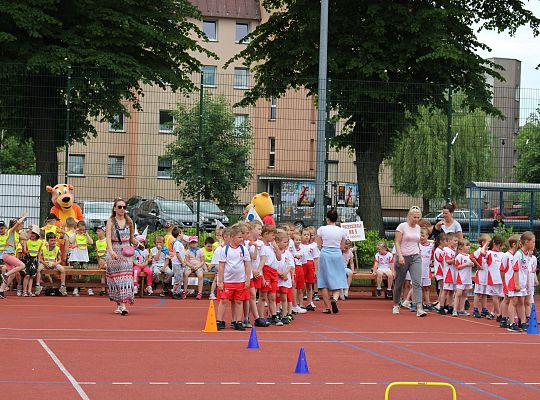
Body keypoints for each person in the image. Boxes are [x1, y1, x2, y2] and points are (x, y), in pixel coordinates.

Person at [105, 198, 138, 315]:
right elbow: (108, 238)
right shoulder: (110, 221)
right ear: (114, 209)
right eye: (119, 207)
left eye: (124, 207)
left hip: (126, 253)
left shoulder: (129, 222)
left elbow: (132, 238)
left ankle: (123, 305)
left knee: (126, 279)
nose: (122, 209)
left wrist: (139, 244)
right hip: (114, 252)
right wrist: (111, 251)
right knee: (115, 280)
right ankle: (119, 304)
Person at [392, 206, 426, 317]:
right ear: (409, 216)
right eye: (414, 217)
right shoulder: (402, 226)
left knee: (416, 282)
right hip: (403, 257)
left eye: (418, 217)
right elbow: (397, 242)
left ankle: (419, 307)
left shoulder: (418, 228)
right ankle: (396, 304)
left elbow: (417, 242)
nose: (416, 219)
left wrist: (419, 252)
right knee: (399, 282)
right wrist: (400, 256)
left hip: (415, 256)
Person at [217, 224, 252, 331]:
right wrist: (221, 281)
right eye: (239, 237)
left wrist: (247, 279)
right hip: (228, 280)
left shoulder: (244, 249)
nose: (241, 239)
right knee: (224, 300)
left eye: (242, 237)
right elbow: (221, 266)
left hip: (240, 281)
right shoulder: (225, 250)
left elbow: (247, 264)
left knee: (239, 301)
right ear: (232, 237)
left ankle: (237, 321)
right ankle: (219, 321)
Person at [316, 208, 347, 315]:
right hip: (337, 254)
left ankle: (326, 307)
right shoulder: (341, 230)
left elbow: (319, 245)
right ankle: (335, 298)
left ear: (327, 219)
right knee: (338, 277)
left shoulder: (321, 229)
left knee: (323, 280)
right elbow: (342, 246)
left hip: (325, 253)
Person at [507, 231, 535, 332]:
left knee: (521, 302)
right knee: (513, 301)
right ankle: (511, 323)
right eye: (533, 242)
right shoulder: (518, 254)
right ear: (527, 242)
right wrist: (517, 284)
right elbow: (515, 269)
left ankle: (522, 322)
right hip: (514, 282)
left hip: (522, 282)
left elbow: (526, 270)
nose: (534, 244)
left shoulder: (527, 254)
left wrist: (527, 282)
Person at [0, 215, 27, 299]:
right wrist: (24, 216)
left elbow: (26, 238)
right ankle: (5, 274)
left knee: (13, 275)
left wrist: (30, 230)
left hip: (8, 255)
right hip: (7, 254)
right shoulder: (10, 231)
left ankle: (1, 290)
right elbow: (18, 222)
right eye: (20, 225)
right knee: (22, 265)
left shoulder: (14, 233)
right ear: (15, 225)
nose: (21, 226)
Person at [258, 224, 280, 324]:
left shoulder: (271, 246)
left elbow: (279, 258)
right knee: (263, 295)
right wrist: (261, 275)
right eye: (272, 235)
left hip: (273, 271)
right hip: (266, 271)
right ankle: (261, 317)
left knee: (272, 296)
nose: (274, 237)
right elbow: (261, 262)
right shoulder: (261, 246)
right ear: (266, 234)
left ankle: (273, 315)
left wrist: (276, 248)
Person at [36, 232, 67, 296]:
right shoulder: (43, 248)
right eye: (51, 240)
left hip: (54, 264)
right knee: (38, 269)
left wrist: (56, 263)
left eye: (54, 240)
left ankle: (62, 286)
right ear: (47, 241)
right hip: (45, 264)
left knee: (62, 269)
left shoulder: (57, 248)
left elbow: (60, 260)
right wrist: (44, 263)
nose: (53, 242)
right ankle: (38, 285)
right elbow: (40, 259)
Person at [499, 234, 520, 329]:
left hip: (513, 280)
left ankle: (510, 317)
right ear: (514, 244)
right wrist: (503, 280)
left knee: (512, 299)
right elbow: (502, 269)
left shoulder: (516, 255)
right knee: (507, 299)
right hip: (507, 279)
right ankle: (503, 318)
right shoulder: (506, 255)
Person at [69, 220, 94, 296]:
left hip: (84, 257)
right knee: (75, 272)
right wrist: (76, 232)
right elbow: (71, 241)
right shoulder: (74, 235)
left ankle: (89, 288)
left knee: (85, 272)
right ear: (77, 228)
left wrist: (86, 233)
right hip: (75, 257)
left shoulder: (85, 235)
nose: (81, 231)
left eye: (83, 229)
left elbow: (91, 242)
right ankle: (75, 288)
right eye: (80, 229)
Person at [275, 230, 295, 324]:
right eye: (284, 242)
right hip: (277, 278)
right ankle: (276, 312)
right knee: (276, 296)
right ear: (277, 242)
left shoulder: (288, 254)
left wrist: (285, 273)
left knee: (284, 297)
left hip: (285, 279)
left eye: (287, 242)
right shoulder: (274, 253)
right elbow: (272, 265)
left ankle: (285, 314)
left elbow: (291, 265)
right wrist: (279, 273)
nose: (286, 244)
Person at [452, 239, 474, 316]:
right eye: (467, 245)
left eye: (469, 245)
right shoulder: (459, 256)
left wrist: (472, 264)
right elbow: (457, 266)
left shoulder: (469, 256)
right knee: (458, 294)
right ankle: (455, 309)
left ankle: (461, 309)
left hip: (468, 278)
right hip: (461, 278)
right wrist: (466, 264)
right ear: (461, 247)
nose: (468, 247)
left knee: (465, 294)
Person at [485, 236, 505, 320]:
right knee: (495, 297)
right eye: (500, 245)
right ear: (495, 244)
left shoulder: (503, 254)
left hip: (501, 278)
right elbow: (482, 253)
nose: (501, 247)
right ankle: (498, 314)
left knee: (498, 297)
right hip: (493, 278)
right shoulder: (489, 253)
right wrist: (487, 244)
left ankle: (495, 313)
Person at [471, 234, 491, 318]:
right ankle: (475, 309)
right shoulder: (479, 250)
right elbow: (472, 256)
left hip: (486, 275)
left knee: (485, 293)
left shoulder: (488, 252)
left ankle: (484, 308)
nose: (489, 243)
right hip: (480, 275)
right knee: (478, 293)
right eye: (488, 242)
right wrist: (477, 264)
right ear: (483, 242)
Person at [419, 228, 434, 308]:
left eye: (423, 236)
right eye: (420, 236)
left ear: (427, 236)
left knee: (426, 287)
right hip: (418, 270)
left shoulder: (431, 246)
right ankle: (419, 303)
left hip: (426, 270)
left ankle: (427, 303)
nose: (421, 237)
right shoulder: (417, 245)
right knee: (418, 287)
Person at [170, 227, 185, 299]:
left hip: (178, 263)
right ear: (179, 234)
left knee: (180, 277)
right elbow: (178, 254)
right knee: (177, 278)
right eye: (182, 233)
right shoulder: (177, 243)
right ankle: (175, 292)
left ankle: (178, 291)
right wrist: (182, 262)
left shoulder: (179, 243)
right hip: (177, 263)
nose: (183, 235)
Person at [95, 225, 108, 295]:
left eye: (99, 231)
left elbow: (108, 251)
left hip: (107, 259)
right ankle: (103, 290)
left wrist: (107, 261)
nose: (97, 232)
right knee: (103, 274)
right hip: (101, 259)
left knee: (108, 273)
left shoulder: (107, 240)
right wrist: (99, 261)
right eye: (97, 231)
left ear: (104, 232)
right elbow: (97, 252)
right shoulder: (97, 242)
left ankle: (109, 289)